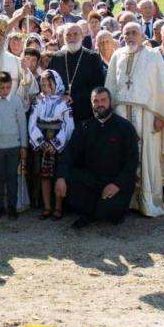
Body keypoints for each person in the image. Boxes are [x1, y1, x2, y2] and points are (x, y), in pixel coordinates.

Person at [105, 22, 164, 217]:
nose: (130, 36)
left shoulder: (153, 57)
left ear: (142, 35)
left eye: (134, 33)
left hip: (146, 115)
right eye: (127, 33)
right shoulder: (117, 55)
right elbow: (111, 84)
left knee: (146, 157)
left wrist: (160, 115)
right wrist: (108, 114)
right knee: (121, 155)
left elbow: (161, 88)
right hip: (121, 113)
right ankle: (125, 200)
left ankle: (146, 201)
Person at [55, 87, 139, 229]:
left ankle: (93, 213)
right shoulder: (84, 127)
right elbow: (69, 154)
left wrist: (116, 184)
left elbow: (132, 162)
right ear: (91, 104)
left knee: (110, 209)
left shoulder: (125, 128)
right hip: (92, 180)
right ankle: (93, 211)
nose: (100, 104)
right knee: (68, 182)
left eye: (103, 100)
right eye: (96, 101)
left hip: (115, 181)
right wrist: (61, 177)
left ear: (110, 102)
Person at [28, 70, 74, 220]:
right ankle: (47, 206)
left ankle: (58, 207)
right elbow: (32, 122)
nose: (46, 87)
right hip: (42, 141)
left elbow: (68, 126)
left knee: (58, 174)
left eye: (49, 84)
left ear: (57, 83)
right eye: (43, 84)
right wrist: (40, 141)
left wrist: (56, 143)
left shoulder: (64, 102)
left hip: (57, 142)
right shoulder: (38, 101)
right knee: (45, 175)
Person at [0, 71, 28, 220]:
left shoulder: (16, 101)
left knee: (12, 177)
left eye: (8, 87)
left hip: (13, 146)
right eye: (2, 88)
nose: (5, 91)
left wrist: (23, 145)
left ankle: (12, 208)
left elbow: (22, 123)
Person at [48, 23, 106, 124]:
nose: (72, 37)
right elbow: (49, 81)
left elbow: (98, 85)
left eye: (75, 34)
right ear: (63, 37)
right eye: (68, 35)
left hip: (84, 112)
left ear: (82, 36)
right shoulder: (57, 57)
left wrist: (74, 98)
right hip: (59, 112)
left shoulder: (93, 57)